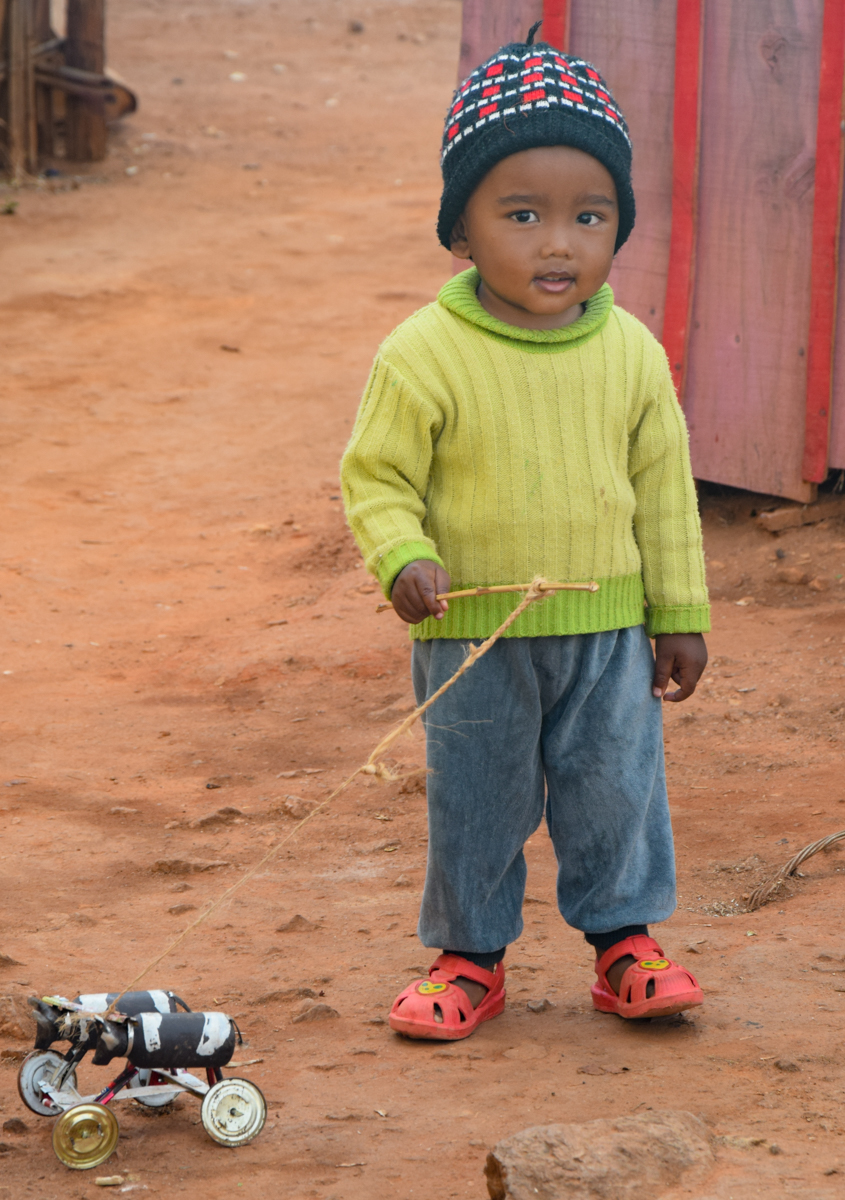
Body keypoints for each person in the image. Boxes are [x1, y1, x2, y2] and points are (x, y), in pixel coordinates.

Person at [340, 23, 709, 1040]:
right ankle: (469, 958)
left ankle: (625, 945)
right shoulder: (423, 352)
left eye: (588, 215)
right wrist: (403, 556)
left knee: (614, 792)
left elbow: (662, 493)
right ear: (460, 229)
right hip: (473, 634)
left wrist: (678, 612)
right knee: (477, 797)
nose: (557, 243)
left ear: (617, 225)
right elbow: (376, 476)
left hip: (606, 633)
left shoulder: (630, 353)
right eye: (521, 214)